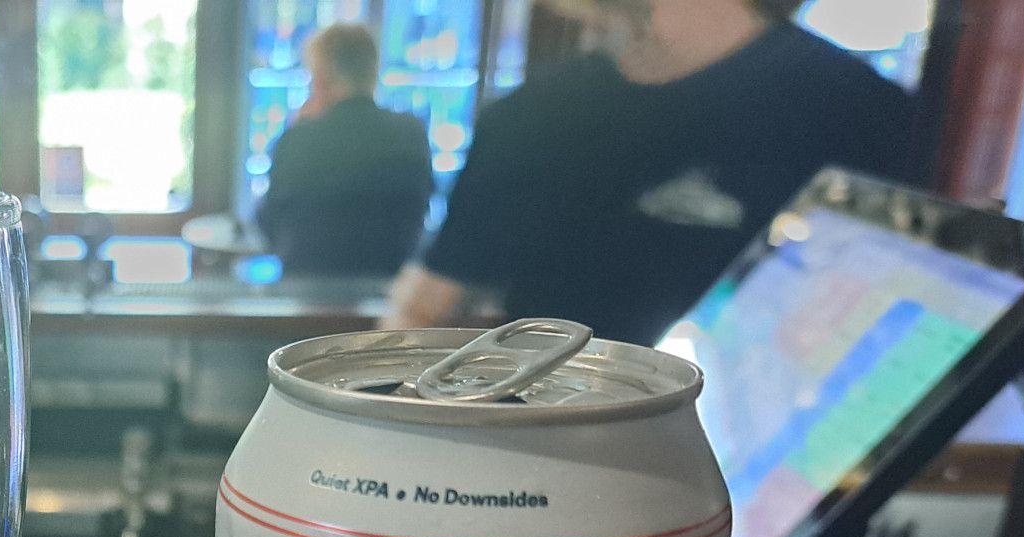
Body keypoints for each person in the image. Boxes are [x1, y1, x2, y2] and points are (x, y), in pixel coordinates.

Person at [384, 0, 912, 345]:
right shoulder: (529, 117)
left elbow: (879, 332)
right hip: (540, 469)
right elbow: (422, 306)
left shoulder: (859, 113)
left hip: (748, 474)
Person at [256, 24, 433, 277]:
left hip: (305, 297)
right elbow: (421, 215)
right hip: (387, 295)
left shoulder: (298, 139)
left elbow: (270, 224)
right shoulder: (411, 134)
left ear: (322, 79)